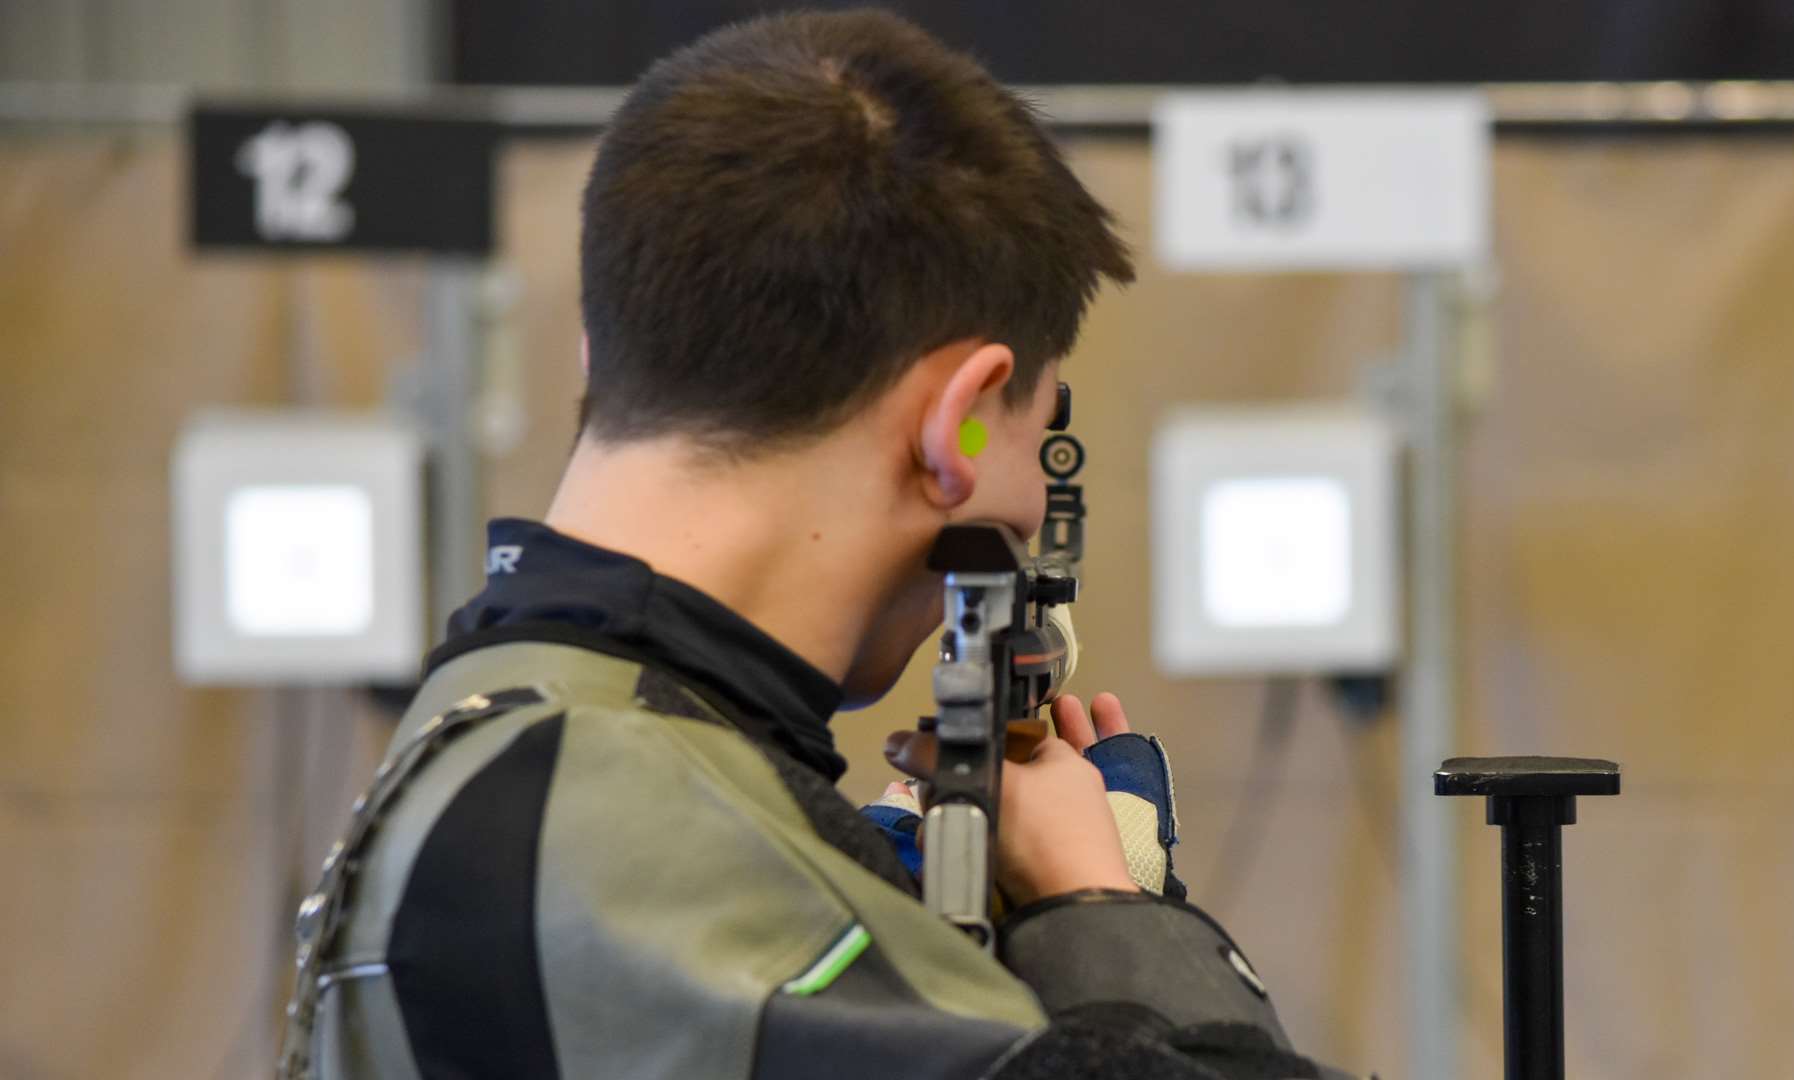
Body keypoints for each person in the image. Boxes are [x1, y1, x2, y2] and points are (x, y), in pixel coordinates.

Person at [280, 10, 1352, 1079]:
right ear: (960, 425)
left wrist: (870, 888)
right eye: (1042, 437)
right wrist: (1097, 907)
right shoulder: (635, 823)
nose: (1031, 517)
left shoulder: (529, 744)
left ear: (597, 347)